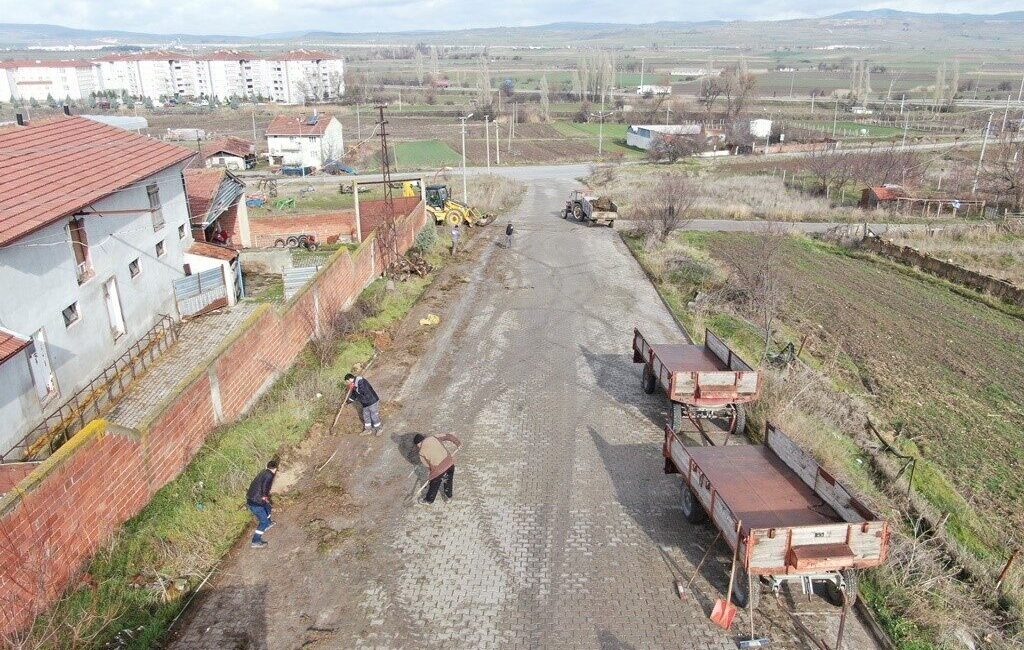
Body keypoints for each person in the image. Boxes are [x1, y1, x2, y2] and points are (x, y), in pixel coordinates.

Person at [414, 433, 462, 504]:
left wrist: (432, 477)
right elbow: (448, 436)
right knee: (448, 480)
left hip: (438, 470)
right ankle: (448, 497)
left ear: (418, 444)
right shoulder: (434, 437)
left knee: (434, 483)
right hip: (449, 464)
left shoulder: (421, 452)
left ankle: (429, 500)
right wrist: (458, 443)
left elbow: (428, 466)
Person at [246, 458, 278, 549]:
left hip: (253, 498)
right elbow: (265, 487)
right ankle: (255, 541)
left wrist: (265, 499)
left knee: (268, 507)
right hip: (256, 502)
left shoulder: (263, 472)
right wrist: (265, 497)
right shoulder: (269, 475)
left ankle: (268, 523)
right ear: (275, 469)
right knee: (262, 522)